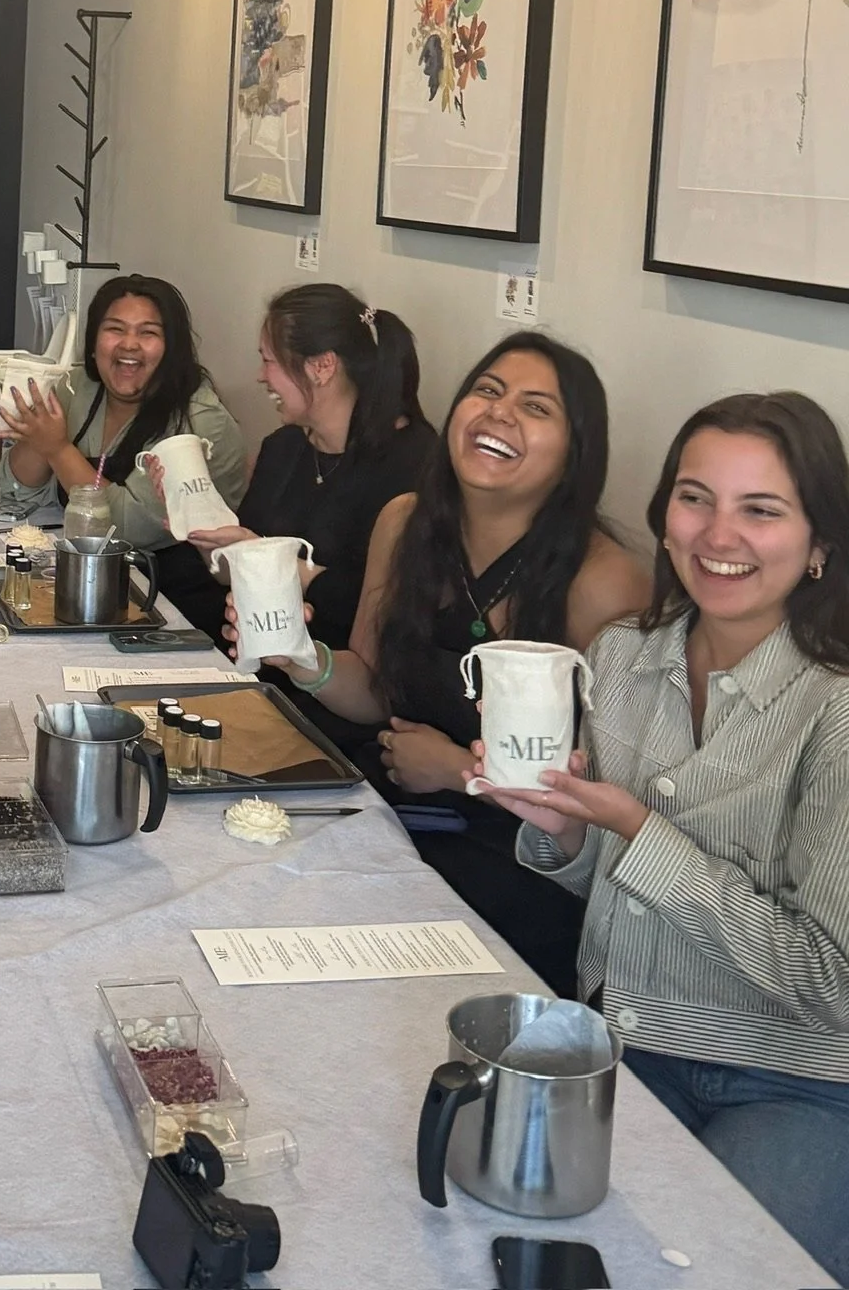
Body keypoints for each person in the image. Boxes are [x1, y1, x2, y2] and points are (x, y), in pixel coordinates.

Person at [480, 393, 849, 1286]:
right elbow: (611, 885)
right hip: (616, 1046)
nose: (719, 534)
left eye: (761, 510)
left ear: (820, 546)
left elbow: (835, 986)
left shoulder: (833, 708)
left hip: (791, 1082)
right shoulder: (621, 657)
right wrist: (567, 835)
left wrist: (640, 833)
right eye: (695, 498)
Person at [226, 332, 646, 995]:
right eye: (487, 391)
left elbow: (603, 803)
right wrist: (302, 660)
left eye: (537, 408)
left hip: (511, 861)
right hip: (391, 817)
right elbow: (374, 691)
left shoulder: (603, 581)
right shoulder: (405, 523)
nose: (500, 413)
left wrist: (454, 770)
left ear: (575, 453)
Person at [184, 285, 435, 664]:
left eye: (269, 361)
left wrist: (284, 568)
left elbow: (388, 611)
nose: (260, 377)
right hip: (256, 662)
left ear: (322, 367)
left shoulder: (414, 465)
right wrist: (202, 525)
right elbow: (240, 571)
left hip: (345, 683)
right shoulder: (283, 448)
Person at [0, 274, 249, 633]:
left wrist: (56, 447)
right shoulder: (80, 387)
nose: (128, 345)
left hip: (172, 607)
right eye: (115, 329)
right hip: (89, 588)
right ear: (94, 340)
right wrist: (39, 437)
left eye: (148, 333)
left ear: (172, 347)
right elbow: (15, 491)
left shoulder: (197, 420)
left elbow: (127, 530)